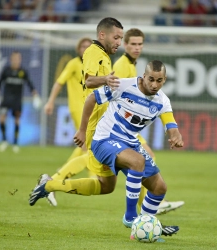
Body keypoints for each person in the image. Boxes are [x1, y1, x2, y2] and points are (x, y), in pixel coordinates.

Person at [29, 60, 182, 238]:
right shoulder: (124, 86)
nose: (155, 84)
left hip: (130, 143)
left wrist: (175, 135)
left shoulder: (162, 101)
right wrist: (82, 129)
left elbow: (171, 124)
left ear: (164, 80)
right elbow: (92, 97)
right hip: (105, 139)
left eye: (159, 80)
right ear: (143, 76)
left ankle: (145, 224)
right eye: (151, 79)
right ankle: (131, 217)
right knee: (137, 161)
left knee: (157, 187)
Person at [113, 28, 184, 215]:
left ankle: (146, 206)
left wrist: (175, 133)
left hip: (127, 131)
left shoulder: (132, 66)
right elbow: (112, 95)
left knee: (105, 183)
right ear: (124, 44)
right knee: (106, 178)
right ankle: (142, 208)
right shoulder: (122, 66)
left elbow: (170, 121)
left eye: (140, 44)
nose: (137, 48)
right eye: (133, 44)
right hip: (116, 128)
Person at [43, 37, 92, 206]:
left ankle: (57, 176)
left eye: (88, 46)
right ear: (78, 49)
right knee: (87, 144)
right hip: (78, 109)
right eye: (82, 46)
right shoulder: (73, 64)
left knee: (86, 145)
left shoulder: (93, 65)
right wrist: (50, 102)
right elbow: (59, 83)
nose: (85, 49)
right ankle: (89, 176)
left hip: (92, 109)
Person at [0, 51, 39, 153]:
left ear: (20, 60)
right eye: (14, 58)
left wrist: (36, 97)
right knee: (2, 119)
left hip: (17, 101)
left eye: (18, 58)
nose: (16, 60)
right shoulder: (6, 71)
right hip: (6, 100)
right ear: (11, 59)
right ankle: (4, 141)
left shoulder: (23, 72)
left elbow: (30, 85)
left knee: (17, 120)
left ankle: (15, 143)